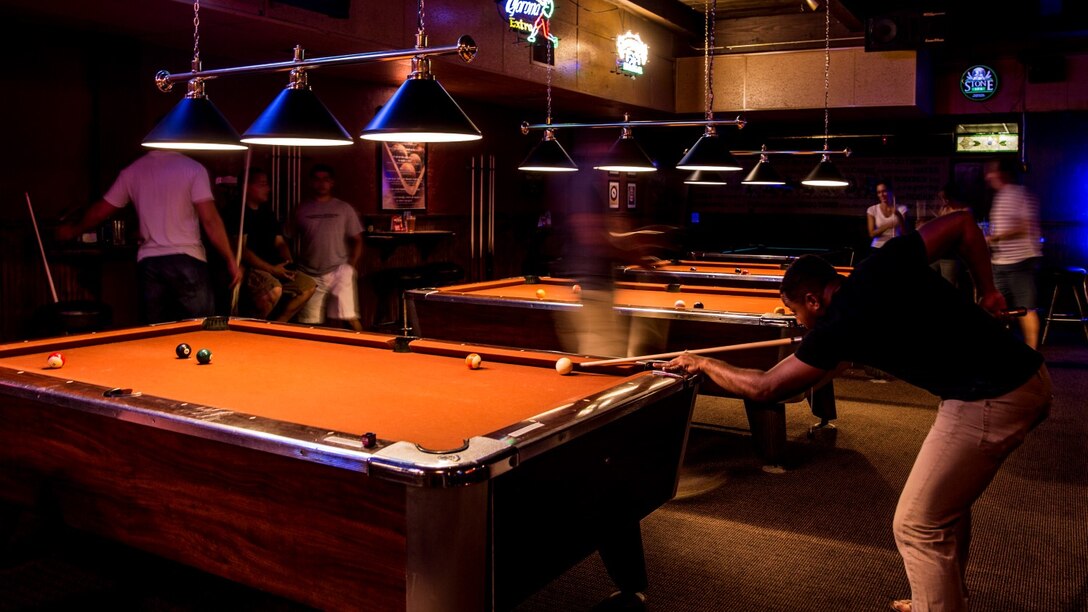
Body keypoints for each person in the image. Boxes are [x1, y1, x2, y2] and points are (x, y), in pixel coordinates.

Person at [663, 211, 1051, 612]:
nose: (800, 322)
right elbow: (963, 224)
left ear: (813, 300)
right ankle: (939, 599)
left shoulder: (840, 326)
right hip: (1020, 375)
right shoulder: (883, 263)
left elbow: (766, 388)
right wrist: (987, 291)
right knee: (945, 506)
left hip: (993, 397)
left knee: (917, 525)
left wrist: (703, 363)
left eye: (795, 310)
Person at [57, 150, 241, 323]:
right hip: (187, 260)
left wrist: (73, 230)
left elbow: (100, 211)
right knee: (199, 329)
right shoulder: (192, 168)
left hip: (151, 265)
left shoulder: (134, 170)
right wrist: (231, 260)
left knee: (154, 334)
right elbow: (210, 220)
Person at [228, 168, 316, 321]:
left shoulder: (267, 212)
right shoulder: (238, 211)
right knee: (274, 289)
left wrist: (288, 263)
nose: (268, 189)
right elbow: (242, 250)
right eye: (263, 184)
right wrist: (272, 270)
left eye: (267, 184)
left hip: (275, 267)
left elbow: (280, 242)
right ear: (247, 187)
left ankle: (278, 325)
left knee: (308, 285)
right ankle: (253, 330)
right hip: (252, 269)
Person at [291, 164, 364, 332]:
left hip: (339, 269)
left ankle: (369, 350)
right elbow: (287, 238)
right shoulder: (301, 209)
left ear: (332, 183)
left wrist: (351, 266)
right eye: (317, 179)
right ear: (311, 182)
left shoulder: (344, 208)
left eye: (326, 179)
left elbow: (357, 240)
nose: (321, 183)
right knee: (310, 324)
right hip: (309, 273)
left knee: (350, 318)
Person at [985, 157, 1043, 349]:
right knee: (996, 308)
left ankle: (1032, 354)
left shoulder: (1019, 194)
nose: (988, 175)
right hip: (1000, 262)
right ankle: (999, 350)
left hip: (1021, 260)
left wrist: (995, 238)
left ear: (1003, 173)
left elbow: (1024, 227)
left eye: (992, 171)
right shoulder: (1001, 196)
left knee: (1026, 308)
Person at [923, 181, 973, 289]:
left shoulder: (965, 210)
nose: (944, 201)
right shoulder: (945, 209)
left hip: (951, 254)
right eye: (942, 198)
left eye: (945, 198)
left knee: (949, 284)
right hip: (938, 252)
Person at [867, 180, 910, 250]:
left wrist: (898, 215)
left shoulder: (902, 209)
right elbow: (871, 234)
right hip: (878, 247)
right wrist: (888, 225)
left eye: (884, 191)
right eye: (879, 192)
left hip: (896, 246)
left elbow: (904, 233)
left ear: (891, 192)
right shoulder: (872, 209)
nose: (882, 195)